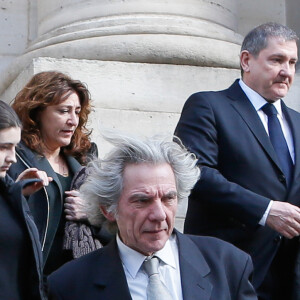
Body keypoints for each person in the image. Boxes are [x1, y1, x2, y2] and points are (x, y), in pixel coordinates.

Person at [174, 22, 300, 300]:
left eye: (292, 62)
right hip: (226, 269)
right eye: (277, 60)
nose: (286, 71)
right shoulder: (208, 106)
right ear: (246, 60)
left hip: (289, 277)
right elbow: (196, 174)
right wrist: (266, 210)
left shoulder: (299, 122)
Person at [47, 133, 257, 300]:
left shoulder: (229, 265)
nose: (159, 214)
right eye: (141, 201)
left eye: (168, 198)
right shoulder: (69, 285)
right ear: (108, 209)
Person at [8, 71, 104, 275]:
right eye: (63, 111)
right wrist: (18, 193)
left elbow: (119, 222)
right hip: (29, 277)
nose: (73, 121)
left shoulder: (87, 162)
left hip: (77, 279)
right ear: (37, 112)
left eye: (77, 112)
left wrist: (92, 215)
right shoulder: (13, 158)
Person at [0, 100, 51, 299]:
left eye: (15, 147)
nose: (12, 158)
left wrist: (15, 195)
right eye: (4, 147)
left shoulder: (11, 192)